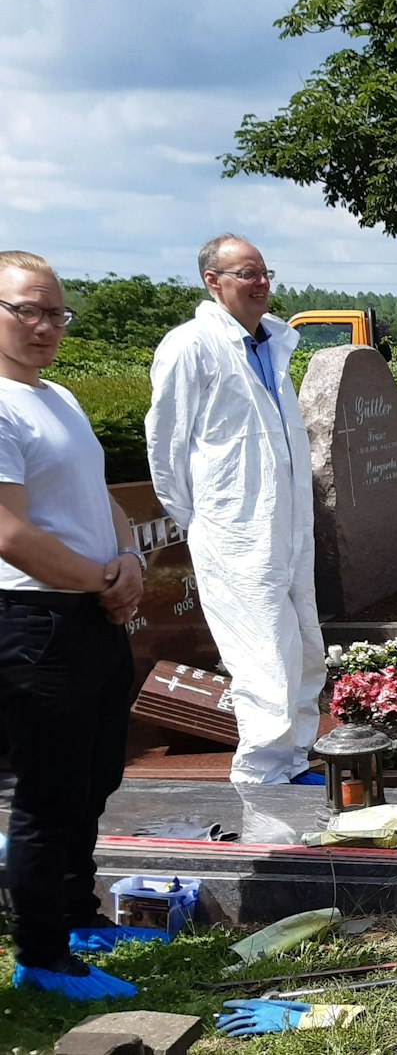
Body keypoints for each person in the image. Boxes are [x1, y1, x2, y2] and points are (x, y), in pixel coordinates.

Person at [0, 251, 156, 1000]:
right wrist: (102, 579)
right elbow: (8, 533)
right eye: (25, 309)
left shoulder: (57, 395)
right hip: (37, 622)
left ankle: (78, 916)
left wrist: (127, 557)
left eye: (55, 311)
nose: (43, 325)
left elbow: (104, 500)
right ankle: (41, 958)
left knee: (95, 778)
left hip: (94, 613)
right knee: (48, 794)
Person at [145, 235, 327, 786]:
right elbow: (166, 445)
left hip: (288, 525)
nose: (260, 284)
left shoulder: (274, 344)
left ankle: (296, 757)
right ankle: (265, 776)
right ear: (213, 281)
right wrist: (205, 519)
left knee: (302, 646)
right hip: (234, 529)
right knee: (262, 654)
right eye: (246, 274)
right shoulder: (190, 345)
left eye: (264, 272)